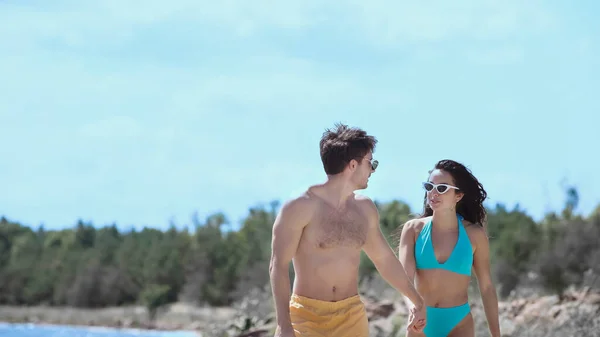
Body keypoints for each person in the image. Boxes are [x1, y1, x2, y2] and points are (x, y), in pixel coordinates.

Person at [269, 123, 427, 337]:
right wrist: (284, 325)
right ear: (353, 165)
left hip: (351, 318)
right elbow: (278, 266)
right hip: (306, 317)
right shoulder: (300, 207)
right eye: (371, 163)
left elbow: (384, 260)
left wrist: (416, 300)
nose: (372, 170)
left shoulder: (364, 209)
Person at [397, 159, 501, 337]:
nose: (433, 193)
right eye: (430, 186)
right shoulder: (413, 230)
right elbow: (403, 281)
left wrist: (496, 334)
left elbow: (486, 288)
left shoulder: (474, 235)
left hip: (458, 323)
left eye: (442, 188)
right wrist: (415, 308)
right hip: (421, 324)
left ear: (458, 195)